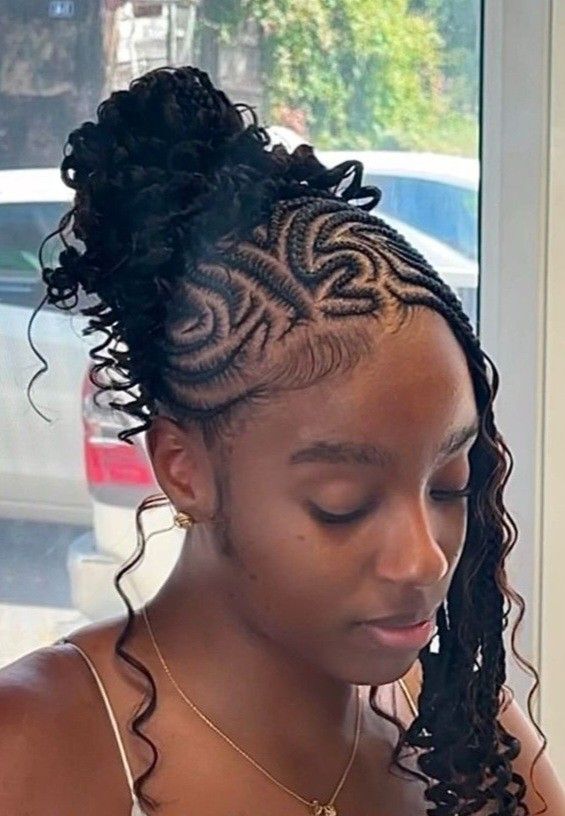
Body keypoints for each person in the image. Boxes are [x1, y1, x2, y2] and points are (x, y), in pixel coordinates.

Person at [0, 65, 563, 816]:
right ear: (183, 469)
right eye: (343, 503)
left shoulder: (460, 727)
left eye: (449, 485)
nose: (425, 559)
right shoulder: (37, 749)